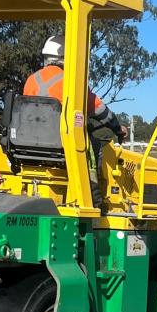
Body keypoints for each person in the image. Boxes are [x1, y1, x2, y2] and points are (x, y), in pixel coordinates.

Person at [24, 36, 128, 205]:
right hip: (62, 146)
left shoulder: (31, 80)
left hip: (29, 146)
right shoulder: (71, 82)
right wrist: (118, 129)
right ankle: (93, 199)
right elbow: (102, 112)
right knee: (94, 148)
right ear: (67, 56)